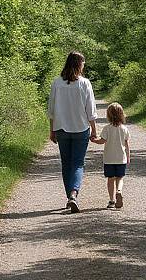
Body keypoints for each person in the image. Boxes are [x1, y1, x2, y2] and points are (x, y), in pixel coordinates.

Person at [47, 51, 97, 213]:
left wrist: (52, 130)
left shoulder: (56, 83)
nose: (84, 66)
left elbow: (51, 109)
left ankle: (70, 196)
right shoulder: (84, 83)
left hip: (61, 128)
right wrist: (94, 130)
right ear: (78, 64)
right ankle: (73, 194)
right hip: (80, 128)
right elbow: (90, 109)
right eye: (83, 63)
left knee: (66, 163)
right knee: (77, 163)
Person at [91, 102, 130, 209]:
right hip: (121, 159)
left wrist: (94, 140)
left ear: (108, 115)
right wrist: (128, 156)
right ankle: (119, 191)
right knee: (120, 178)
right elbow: (126, 144)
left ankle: (112, 200)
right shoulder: (124, 129)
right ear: (122, 114)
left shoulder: (107, 128)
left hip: (109, 159)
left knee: (110, 179)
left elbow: (102, 141)